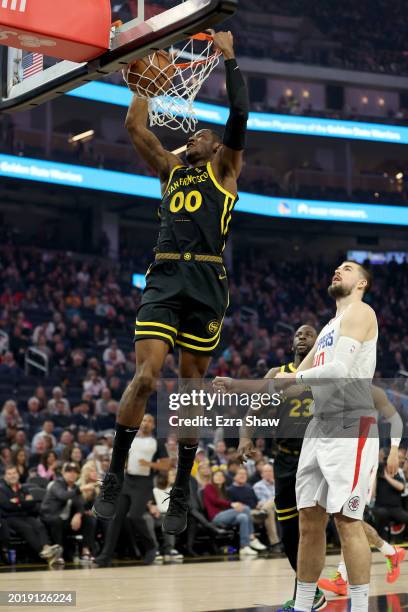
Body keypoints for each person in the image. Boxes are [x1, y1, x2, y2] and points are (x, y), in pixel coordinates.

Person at [93, 29, 249, 536]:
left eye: (204, 133)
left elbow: (241, 116)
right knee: (145, 378)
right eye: (195, 132)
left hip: (206, 278)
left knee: (188, 391)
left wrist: (228, 59)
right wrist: (144, 75)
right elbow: (134, 126)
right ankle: (114, 472)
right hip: (164, 273)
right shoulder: (169, 171)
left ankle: (182, 484)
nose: (196, 134)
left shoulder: (224, 170)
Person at [275, 260, 379, 612]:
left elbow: (337, 371)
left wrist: (289, 381)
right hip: (319, 426)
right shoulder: (327, 328)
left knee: (347, 520)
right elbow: (290, 384)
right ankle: (304, 605)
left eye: (348, 269)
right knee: (309, 521)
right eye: (336, 267)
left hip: (351, 422)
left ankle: (360, 607)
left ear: (362, 283)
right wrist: (239, 391)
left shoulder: (361, 311)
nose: (338, 271)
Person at [0, 465, 62, 566]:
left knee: (39, 525)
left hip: (26, 515)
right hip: (10, 518)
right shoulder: (2, 489)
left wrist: (17, 502)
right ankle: (46, 555)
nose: (12, 476)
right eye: (9, 474)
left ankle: (47, 549)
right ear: (5, 476)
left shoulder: (23, 488)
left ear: (18, 475)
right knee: (27, 528)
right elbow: (7, 506)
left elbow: (32, 504)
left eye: (14, 473)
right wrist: (23, 502)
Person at [40, 462, 95, 564]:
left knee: (88, 519)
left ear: (78, 474)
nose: (72, 474)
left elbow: (81, 504)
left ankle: (85, 551)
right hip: (50, 518)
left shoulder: (75, 487)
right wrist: (80, 489)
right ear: (63, 473)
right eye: (69, 471)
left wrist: (78, 514)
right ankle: (57, 554)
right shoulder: (56, 484)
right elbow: (63, 496)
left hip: (66, 520)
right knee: (58, 521)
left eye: (75, 472)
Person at [203, 469, 264, 557]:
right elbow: (215, 501)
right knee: (245, 508)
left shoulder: (225, 490)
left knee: (243, 517)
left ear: (224, 479)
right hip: (216, 517)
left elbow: (226, 505)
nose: (219, 478)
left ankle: (244, 547)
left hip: (227, 516)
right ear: (212, 478)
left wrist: (235, 506)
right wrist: (232, 504)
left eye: (221, 476)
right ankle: (252, 537)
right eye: (216, 476)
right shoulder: (209, 487)